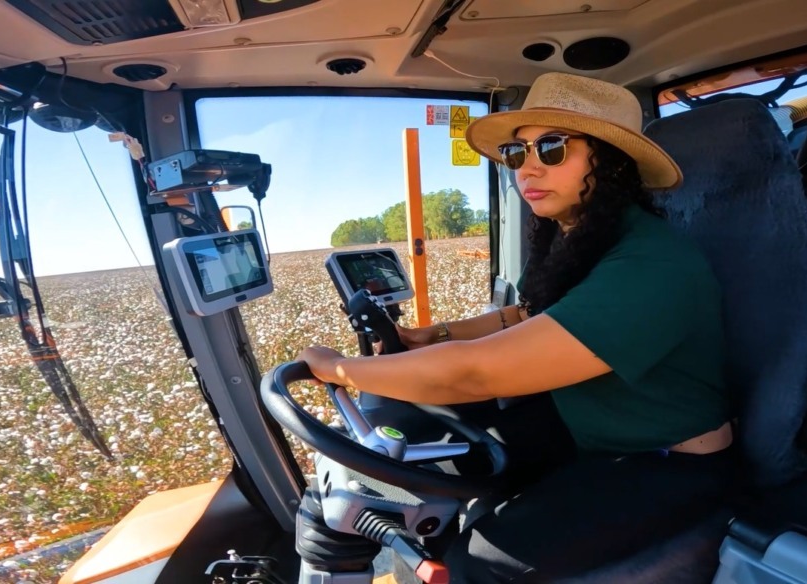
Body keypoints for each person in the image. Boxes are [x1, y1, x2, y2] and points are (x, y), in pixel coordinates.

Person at [297, 72, 735, 583]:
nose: (525, 167)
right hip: (586, 425)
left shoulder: (652, 263)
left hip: (666, 462)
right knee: (411, 473)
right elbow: (526, 315)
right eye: (515, 153)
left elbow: (477, 374)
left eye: (550, 148)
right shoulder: (575, 241)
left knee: (474, 565)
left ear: (612, 162)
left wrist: (341, 371)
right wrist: (436, 334)